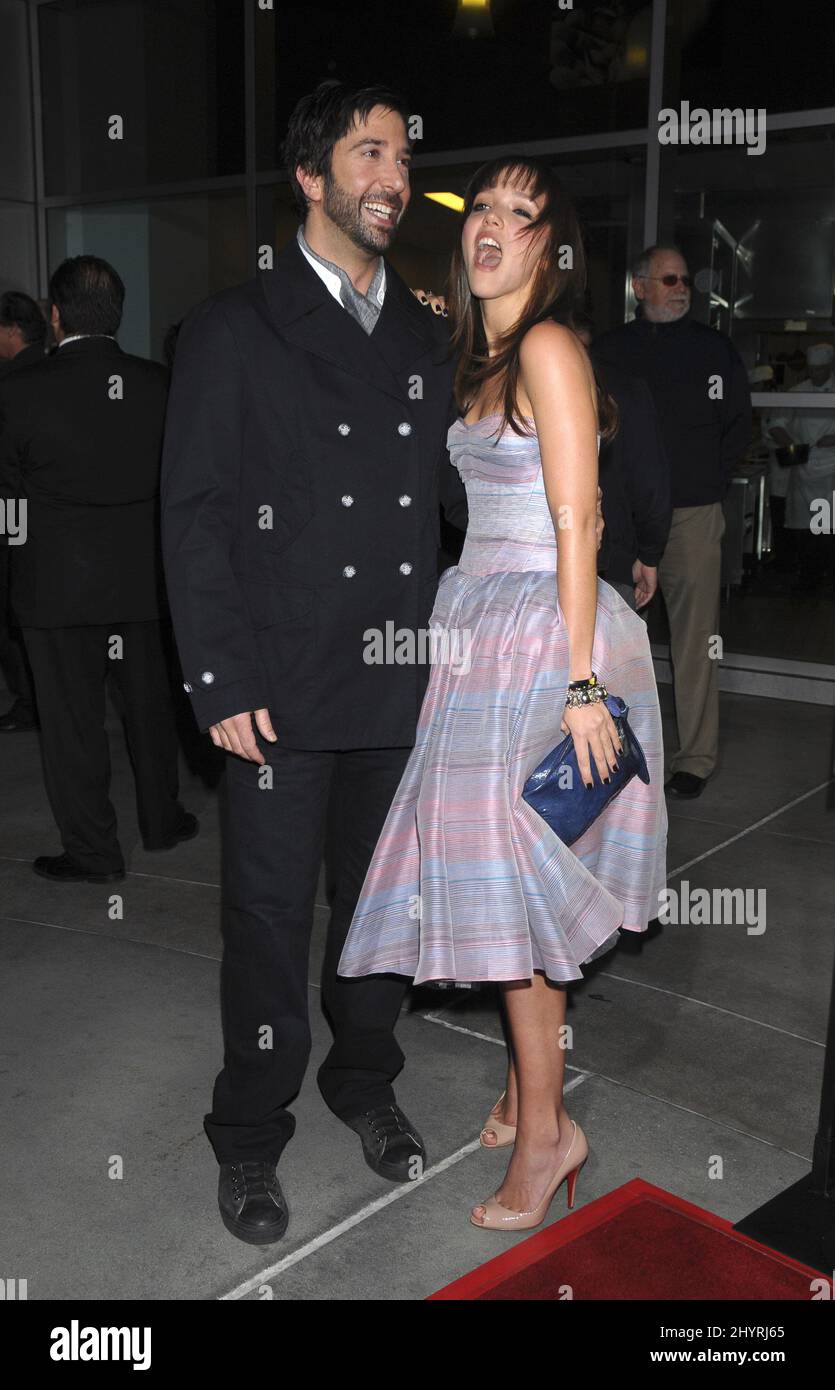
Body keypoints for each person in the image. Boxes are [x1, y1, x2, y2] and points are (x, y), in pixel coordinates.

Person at [160, 81, 471, 1246]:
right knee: (268, 916)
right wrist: (220, 678)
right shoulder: (234, 328)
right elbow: (192, 514)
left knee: (380, 913)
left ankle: (366, 1080)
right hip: (280, 691)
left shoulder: (427, 332)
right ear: (311, 175)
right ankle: (249, 1129)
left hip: (399, 679)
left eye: (403, 155)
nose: (394, 176)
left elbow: (456, 492)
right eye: (370, 152)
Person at [338, 156, 668, 1232]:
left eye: (520, 217)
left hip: (542, 636)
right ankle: (528, 1090)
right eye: (481, 206)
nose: (491, 225)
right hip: (476, 622)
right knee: (492, 877)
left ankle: (547, 1136)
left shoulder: (547, 347)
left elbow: (581, 523)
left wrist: (578, 682)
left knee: (517, 891)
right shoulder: (477, 359)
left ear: (548, 250)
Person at [0, 256, 196, 882]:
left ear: (55, 317)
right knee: (151, 709)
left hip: (55, 590)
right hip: (144, 584)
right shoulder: (161, 384)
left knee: (71, 725)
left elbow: (6, 503)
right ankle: (162, 823)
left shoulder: (17, 391)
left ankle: (94, 852)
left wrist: (16, 565)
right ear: (118, 313)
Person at [594, 246, 751, 799]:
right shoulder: (609, 351)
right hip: (618, 518)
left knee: (694, 641)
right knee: (605, 640)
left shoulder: (714, 351)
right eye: (668, 279)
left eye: (685, 279)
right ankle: (607, 747)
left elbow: (738, 426)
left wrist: (706, 481)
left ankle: (695, 758)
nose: (682, 287)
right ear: (640, 287)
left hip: (691, 516)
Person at [572, 312, 671, 613]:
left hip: (517, 570)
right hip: (605, 565)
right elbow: (649, 483)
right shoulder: (622, 388)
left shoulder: (500, 384)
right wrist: (649, 554)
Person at [0, 291, 45, 732]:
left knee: (13, 615)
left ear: (12, 330)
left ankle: (29, 699)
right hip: (42, 516)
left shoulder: (12, 381)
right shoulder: (52, 371)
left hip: (14, 514)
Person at [767, 343, 835, 595]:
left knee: (828, 526)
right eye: (813, 369)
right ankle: (807, 577)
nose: (816, 374)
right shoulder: (797, 392)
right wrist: (791, 443)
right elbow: (776, 423)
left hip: (832, 469)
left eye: (821, 370)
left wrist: (834, 438)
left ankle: (827, 575)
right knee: (804, 527)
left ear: (829, 367)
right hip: (803, 465)